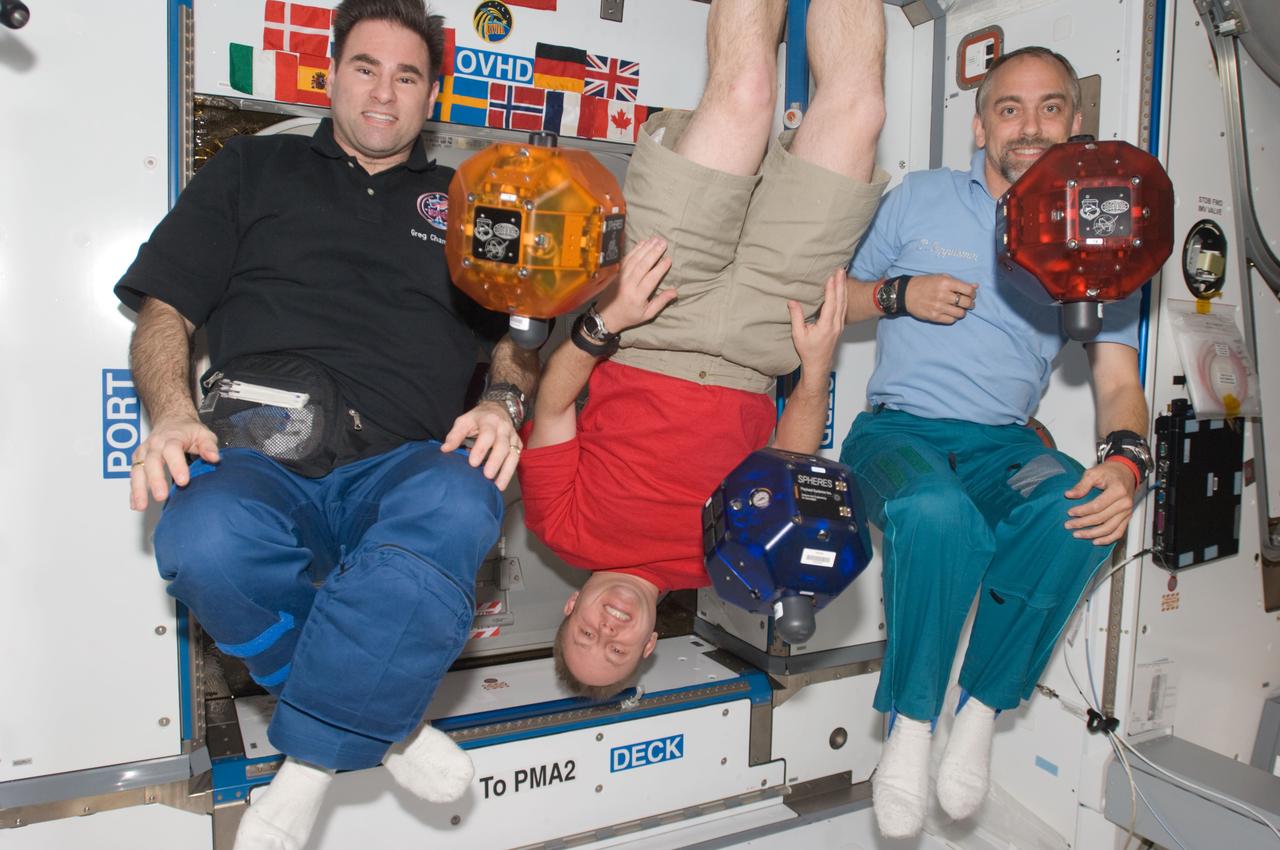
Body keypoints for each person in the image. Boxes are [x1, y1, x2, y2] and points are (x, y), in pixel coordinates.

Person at [114, 2, 538, 848]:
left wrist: (502, 401)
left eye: (407, 76)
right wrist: (169, 414)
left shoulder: (472, 203)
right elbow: (163, 312)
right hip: (258, 457)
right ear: (332, 74)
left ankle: (306, 760)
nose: (384, 92)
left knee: (461, 506)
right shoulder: (249, 170)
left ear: (434, 96)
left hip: (409, 462)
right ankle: (386, 721)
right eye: (366, 68)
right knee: (201, 541)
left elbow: (520, 334)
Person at [516, 0, 888, 698]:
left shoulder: (557, 529)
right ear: (651, 647)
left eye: (587, 635)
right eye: (620, 649)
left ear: (569, 610)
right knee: (859, 111)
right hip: (762, 343)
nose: (610, 628)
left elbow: (556, 400)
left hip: (654, 318)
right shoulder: (728, 567)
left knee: (746, 91)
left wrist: (609, 318)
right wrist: (813, 373)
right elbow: (789, 470)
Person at [837, 46, 1152, 838]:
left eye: (1051, 107)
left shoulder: (1099, 227)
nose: (1030, 125)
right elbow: (829, 299)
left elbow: (1118, 381)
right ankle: (912, 727)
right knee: (940, 515)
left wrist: (1129, 462)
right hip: (896, 432)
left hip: (1003, 444)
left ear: (1076, 122)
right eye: (1009, 108)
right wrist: (899, 294)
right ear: (981, 126)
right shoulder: (920, 199)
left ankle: (976, 710)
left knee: (1076, 505)